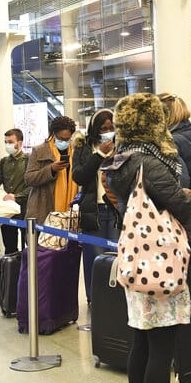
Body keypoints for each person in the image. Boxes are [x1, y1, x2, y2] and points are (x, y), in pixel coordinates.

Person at [104, 93, 191, 383]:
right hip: (162, 265)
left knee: (141, 343)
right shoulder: (150, 160)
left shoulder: (120, 159)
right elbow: (178, 201)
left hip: (135, 262)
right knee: (162, 349)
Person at [158, 93, 191, 297]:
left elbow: (181, 180)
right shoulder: (189, 134)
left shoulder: (174, 140)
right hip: (190, 208)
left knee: (186, 268)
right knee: (189, 263)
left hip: (180, 212)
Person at [72, 110, 118, 302]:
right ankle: (96, 300)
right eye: (103, 128)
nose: (107, 132)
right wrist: (99, 155)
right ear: (95, 129)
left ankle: (116, 299)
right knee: (96, 258)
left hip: (116, 210)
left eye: (111, 128)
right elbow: (79, 176)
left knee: (117, 258)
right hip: (93, 209)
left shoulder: (122, 146)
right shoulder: (83, 148)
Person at [25, 115, 79, 226]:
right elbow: (28, 178)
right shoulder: (39, 151)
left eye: (67, 139)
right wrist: (51, 170)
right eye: (60, 139)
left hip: (71, 210)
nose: (64, 142)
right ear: (53, 134)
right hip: (44, 208)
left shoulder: (76, 151)